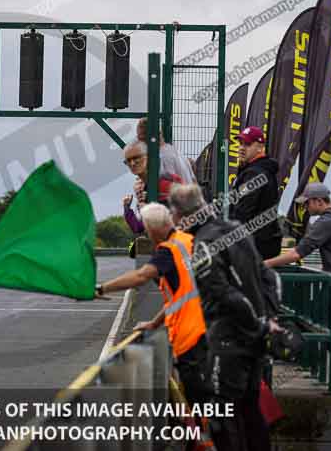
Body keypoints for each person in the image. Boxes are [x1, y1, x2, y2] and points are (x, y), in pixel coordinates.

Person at [169, 183, 281, 451]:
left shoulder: (203, 244)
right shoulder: (235, 229)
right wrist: (268, 319)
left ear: (182, 216)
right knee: (250, 410)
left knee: (221, 416)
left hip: (229, 340)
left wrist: (255, 322)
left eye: (173, 213)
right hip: (255, 338)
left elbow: (222, 293)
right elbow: (269, 277)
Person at [264, 182, 331, 415]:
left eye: (307, 204)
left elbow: (296, 253)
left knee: (330, 338)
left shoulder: (326, 222)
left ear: (319, 201)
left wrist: (263, 265)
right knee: (328, 337)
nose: (305, 209)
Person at [96, 202, 210, 406]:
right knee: (202, 398)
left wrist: (102, 289)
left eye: (146, 230)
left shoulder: (168, 252)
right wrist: (154, 324)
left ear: (152, 230)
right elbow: (181, 297)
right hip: (206, 328)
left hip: (191, 336)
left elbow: (140, 276)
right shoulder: (188, 241)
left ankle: (205, 435)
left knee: (197, 399)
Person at [230, 126, 283, 260]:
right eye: (240, 143)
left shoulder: (255, 173)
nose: (241, 148)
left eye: (247, 144)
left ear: (260, 147)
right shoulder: (257, 169)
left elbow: (243, 212)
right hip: (263, 242)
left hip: (255, 243)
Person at [122, 141, 183, 214]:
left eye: (136, 158)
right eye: (128, 161)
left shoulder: (165, 183)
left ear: (148, 157)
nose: (132, 163)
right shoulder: (144, 187)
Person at [137, 118, 196, 184]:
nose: (139, 142)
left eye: (140, 138)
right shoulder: (176, 152)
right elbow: (194, 181)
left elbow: (169, 186)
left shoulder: (161, 157)